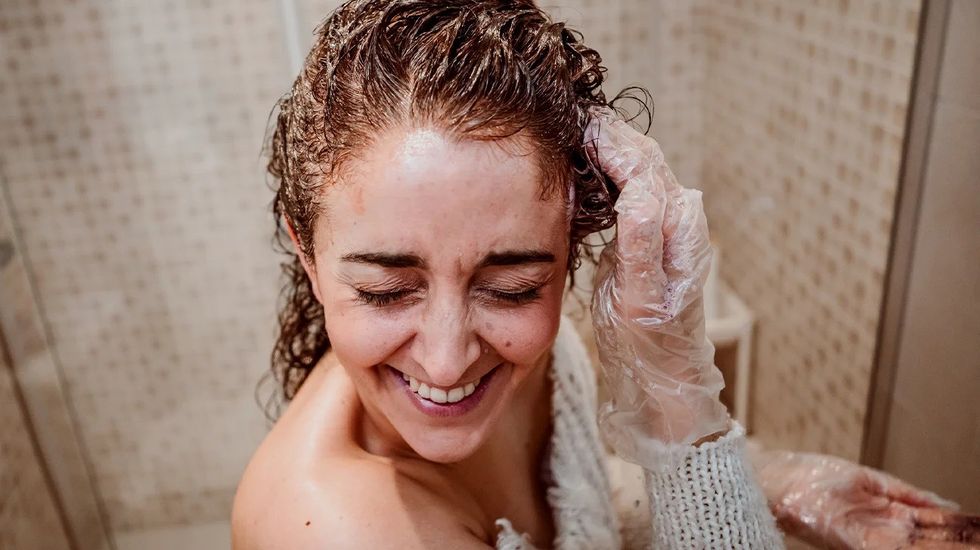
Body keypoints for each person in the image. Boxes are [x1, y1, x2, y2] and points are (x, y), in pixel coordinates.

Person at [232, 1, 978, 548]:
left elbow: (585, 495)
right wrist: (681, 409)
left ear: (569, 251)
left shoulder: (530, 354)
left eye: (513, 287)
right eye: (387, 290)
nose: (448, 357)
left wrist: (775, 482)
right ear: (306, 251)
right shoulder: (337, 526)